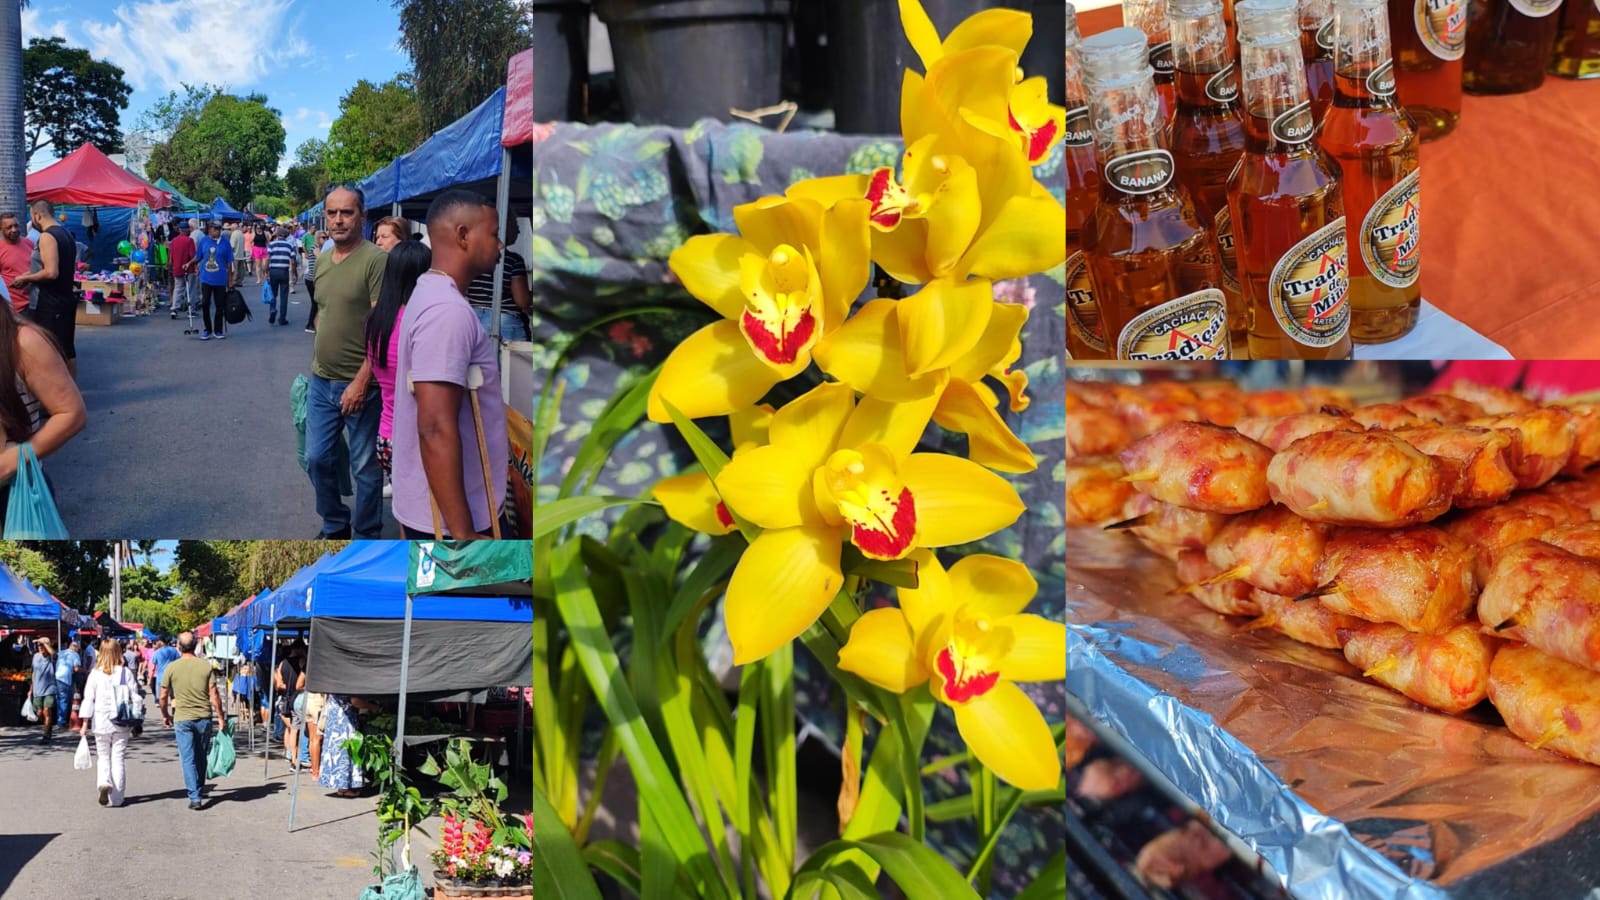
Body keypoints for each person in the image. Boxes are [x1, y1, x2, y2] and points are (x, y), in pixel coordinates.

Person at [392, 190, 508, 539]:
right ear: (462, 236)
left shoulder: (429, 291)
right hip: (450, 521)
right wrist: (464, 535)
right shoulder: (447, 312)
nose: (500, 245)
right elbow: (435, 426)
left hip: (440, 509)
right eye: (493, 234)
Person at [306, 186, 386, 540]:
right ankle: (335, 522)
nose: (338, 220)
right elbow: (323, 310)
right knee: (317, 459)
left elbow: (382, 327)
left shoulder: (375, 260)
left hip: (361, 387)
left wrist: (360, 381)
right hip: (321, 382)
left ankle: (367, 533)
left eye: (347, 212)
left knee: (365, 467)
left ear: (362, 216)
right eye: (332, 213)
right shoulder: (323, 260)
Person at [367, 241, 429, 491]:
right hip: (415, 439)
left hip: (386, 436)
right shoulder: (420, 322)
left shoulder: (375, 321)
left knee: (407, 513)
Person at [157, 631, 226, 811]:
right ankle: (200, 787)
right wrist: (220, 717)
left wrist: (165, 715)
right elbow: (214, 695)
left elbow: (163, 696)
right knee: (201, 755)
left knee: (187, 758)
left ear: (178, 646)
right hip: (203, 717)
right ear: (196, 645)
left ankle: (194, 796)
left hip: (182, 718)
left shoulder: (171, 668)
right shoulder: (205, 666)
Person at [11, 200, 80, 377]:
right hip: (64, 298)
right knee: (66, 348)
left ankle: (58, 394)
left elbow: (51, 272)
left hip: (50, 302)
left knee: (50, 350)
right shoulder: (66, 234)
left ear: (37, 216)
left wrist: (25, 278)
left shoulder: (48, 237)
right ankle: (70, 392)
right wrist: (30, 274)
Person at [79, 637, 140, 807]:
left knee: (103, 756)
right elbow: (135, 697)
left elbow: (88, 699)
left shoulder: (95, 674)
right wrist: (136, 720)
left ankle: (104, 782)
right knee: (118, 757)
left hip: (101, 720)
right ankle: (118, 798)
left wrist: (84, 723)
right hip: (121, 720)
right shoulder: (125, 673)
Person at [464, 218, 532, 341]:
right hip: (504, 322)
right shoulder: (514, 260)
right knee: (512, 360)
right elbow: (522, 300)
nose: (519, 231)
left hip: (473, 319)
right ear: (505, 229)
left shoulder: (471, 257)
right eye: (515, 225)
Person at [317, 694, 369, 797]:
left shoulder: (334, 680)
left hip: (333, 718)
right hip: (344, 719)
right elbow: (355, 700)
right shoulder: (346, 681)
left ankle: (342, 787)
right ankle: (344, 787)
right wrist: (372, 707)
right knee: (345, 752)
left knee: (336, 750)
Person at [195, 221, 236, 341]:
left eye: (219, 229)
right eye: (215, 229)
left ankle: (218, 330)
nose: (217, 231)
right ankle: (207, 329)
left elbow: (229, 263)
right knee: (205, 304)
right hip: (206, 278)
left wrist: (230, 280)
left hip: (220, 280)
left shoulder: (225, 243)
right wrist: (189, 263)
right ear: (209, 230)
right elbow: (198, 257)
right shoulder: (204, 241)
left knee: (220, 305)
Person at [274, 643, 305, 767]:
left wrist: (286, 686)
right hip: (295, 697)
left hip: (284, 699)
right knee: (295, 730)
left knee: (290, 729)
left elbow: (279, 684)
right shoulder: (301, 662)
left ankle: (288, 753)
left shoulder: (282, 663)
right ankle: (294, 757)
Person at [0, 213, 34, 316]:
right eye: (9, 227)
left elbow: (38, 267)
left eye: (16, 225)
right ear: (1, 230)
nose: (14, 230)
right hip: (12, 308)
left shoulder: (29, 243)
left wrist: (27, 277)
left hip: (33, 304)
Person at [28, 636, 57, 743]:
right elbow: (33, 673)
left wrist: (45, 644)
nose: (39, 647)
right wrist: (31, 689)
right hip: (37, 689)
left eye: (41, 645)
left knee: (47, 711)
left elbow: (54, 654)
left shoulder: (51, 657)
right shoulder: (35, 656)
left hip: (49, 688)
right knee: (39, 713)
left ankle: (45, 735)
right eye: (38, 645)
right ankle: (48, 728)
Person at [266, 227, 296, 325]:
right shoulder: (289, 245)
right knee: (284, 296)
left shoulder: (272, 244)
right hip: (284, 272)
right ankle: (282, 319)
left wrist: (266, 271)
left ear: (277, 235)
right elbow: (293, 261)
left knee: (273, 294)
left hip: (273, 271)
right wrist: (294, 273)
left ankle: (273, 309)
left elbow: (268, 259)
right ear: (286, 235)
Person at [168, 221, 198, 320]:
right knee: (191, 289)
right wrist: (195, 266)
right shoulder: (189, 241)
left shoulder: (174, 241)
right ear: (187, 230)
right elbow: (192, 256)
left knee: (178, 288)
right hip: (188, 268)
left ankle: (174, 308)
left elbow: (171, 256)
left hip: (177, 267)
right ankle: (191, 310)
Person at [305, 230, 329, 333]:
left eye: (327, 237)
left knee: (317, 302)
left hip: (312, 279)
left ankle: (314, 324)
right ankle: (310, 324)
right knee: (316, 303)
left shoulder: (320, 248)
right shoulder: (315, 247)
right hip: (312, 279)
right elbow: (321, 258)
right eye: (323, 237)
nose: (326, 239)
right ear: (318, 238)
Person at [55, 639, 81, 728]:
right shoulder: (75, 655)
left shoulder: (61, 652)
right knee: (64, 699)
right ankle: (61, 721)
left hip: (57, 676)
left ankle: (58, 718)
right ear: (76, 648)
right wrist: (84, 671)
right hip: (65, 678)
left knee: (59, 698)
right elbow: (76, 669)